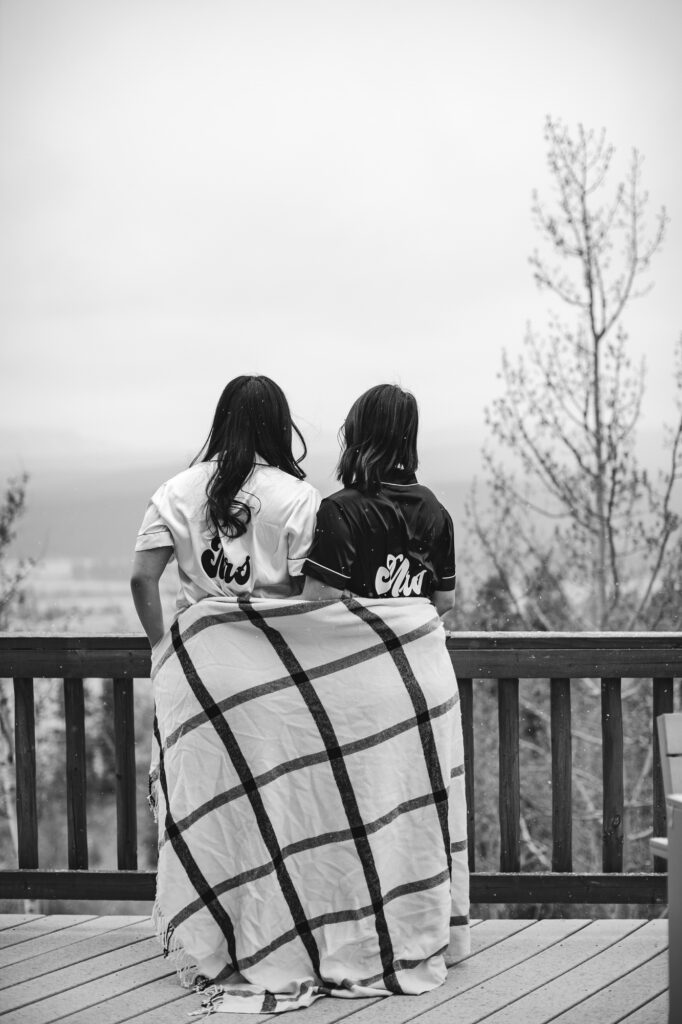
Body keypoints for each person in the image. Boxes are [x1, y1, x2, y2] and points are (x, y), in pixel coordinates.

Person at [130, 375, 320, 649]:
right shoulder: (302, 499)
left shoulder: (174, 491)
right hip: (273, 658)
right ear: (281, 427)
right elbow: (311, 597)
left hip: (198, 656)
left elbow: (142, 578)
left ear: (222, 422)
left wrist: (160, 647)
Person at [301, 383, 456, 618]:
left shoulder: (340, 510)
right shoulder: (438, 512)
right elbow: (445, 600)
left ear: (359, 435)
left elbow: (318, 598)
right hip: (417, 651)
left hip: (357, 651)